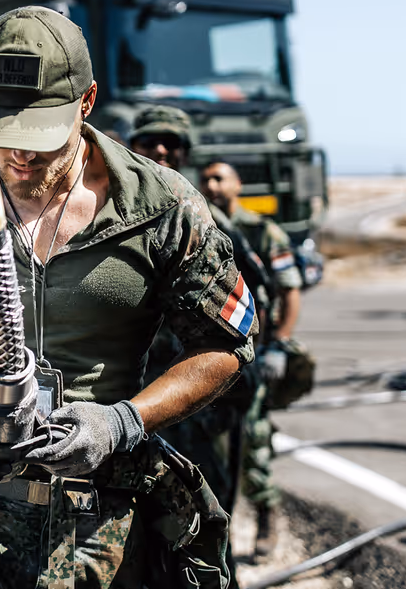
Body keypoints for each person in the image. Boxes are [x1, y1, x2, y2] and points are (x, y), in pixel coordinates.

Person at [0, 6, 255, 588]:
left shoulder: (161, 210)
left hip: (104, 530)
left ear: (87, 102)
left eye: (39, 136)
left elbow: (225, 346)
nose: (19, 157)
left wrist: (123, 421)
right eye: (2, 132)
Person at [128, 108, 296, 561]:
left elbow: (255, 302)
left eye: (172, 144)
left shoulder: (200, 218)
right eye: (150, 142)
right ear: (132, 145)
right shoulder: (108, 209)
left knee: (211, 507)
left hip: (203, 392)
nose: (161, 151)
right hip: (131, 394)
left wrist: (272, 347)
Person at [200, 159, 311, 554]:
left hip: (255, 355)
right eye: (207, 179)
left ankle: (265, 512)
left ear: (237, 184)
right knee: (208, 451)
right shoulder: (199, 224)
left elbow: (289, 290)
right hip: (212, 357)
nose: (212, 185)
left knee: (254, 443)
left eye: (220, 178)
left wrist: (278, 344)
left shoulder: (263, 232)